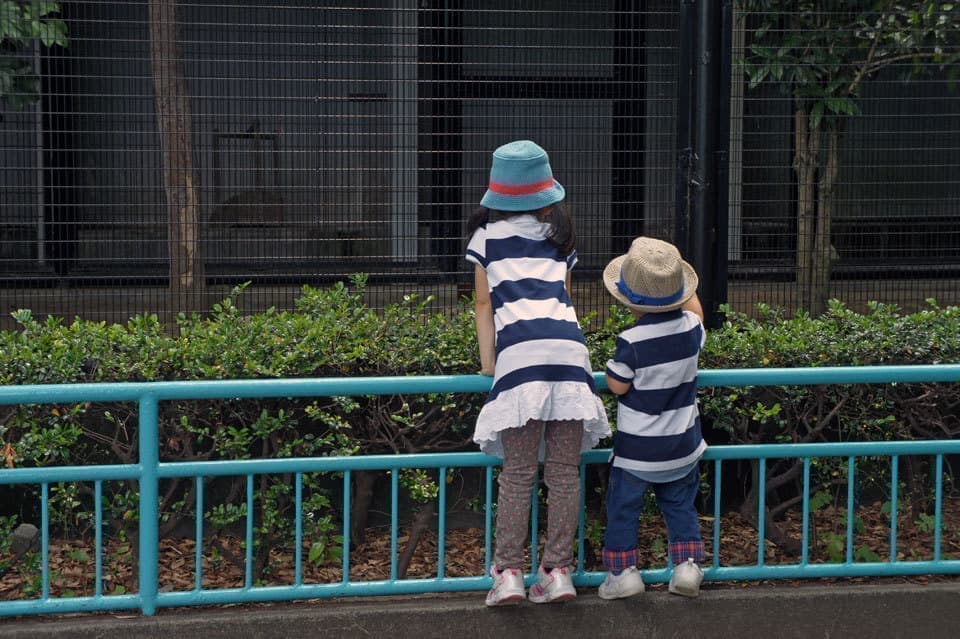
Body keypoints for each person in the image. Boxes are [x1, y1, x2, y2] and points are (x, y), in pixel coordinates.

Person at [465, 140, 611, 606]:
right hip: (569, 355)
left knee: (520, 472)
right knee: (565, 473)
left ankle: (508, 572)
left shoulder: (485, 240)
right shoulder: (560, 240)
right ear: (546, 196)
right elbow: (565, 300)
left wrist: (490, 364)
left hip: (522, 358)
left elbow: (484, 303)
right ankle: (558, 572)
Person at [597, 236, 708, 600]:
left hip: (637, 452)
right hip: (682, 445)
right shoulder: (691, 330)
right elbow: (697, 313)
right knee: (679, 505)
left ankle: (623, 572)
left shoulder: (631, 341)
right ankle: (688, 566)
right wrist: (679, 285)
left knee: (624, 509)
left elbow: (617, 385)